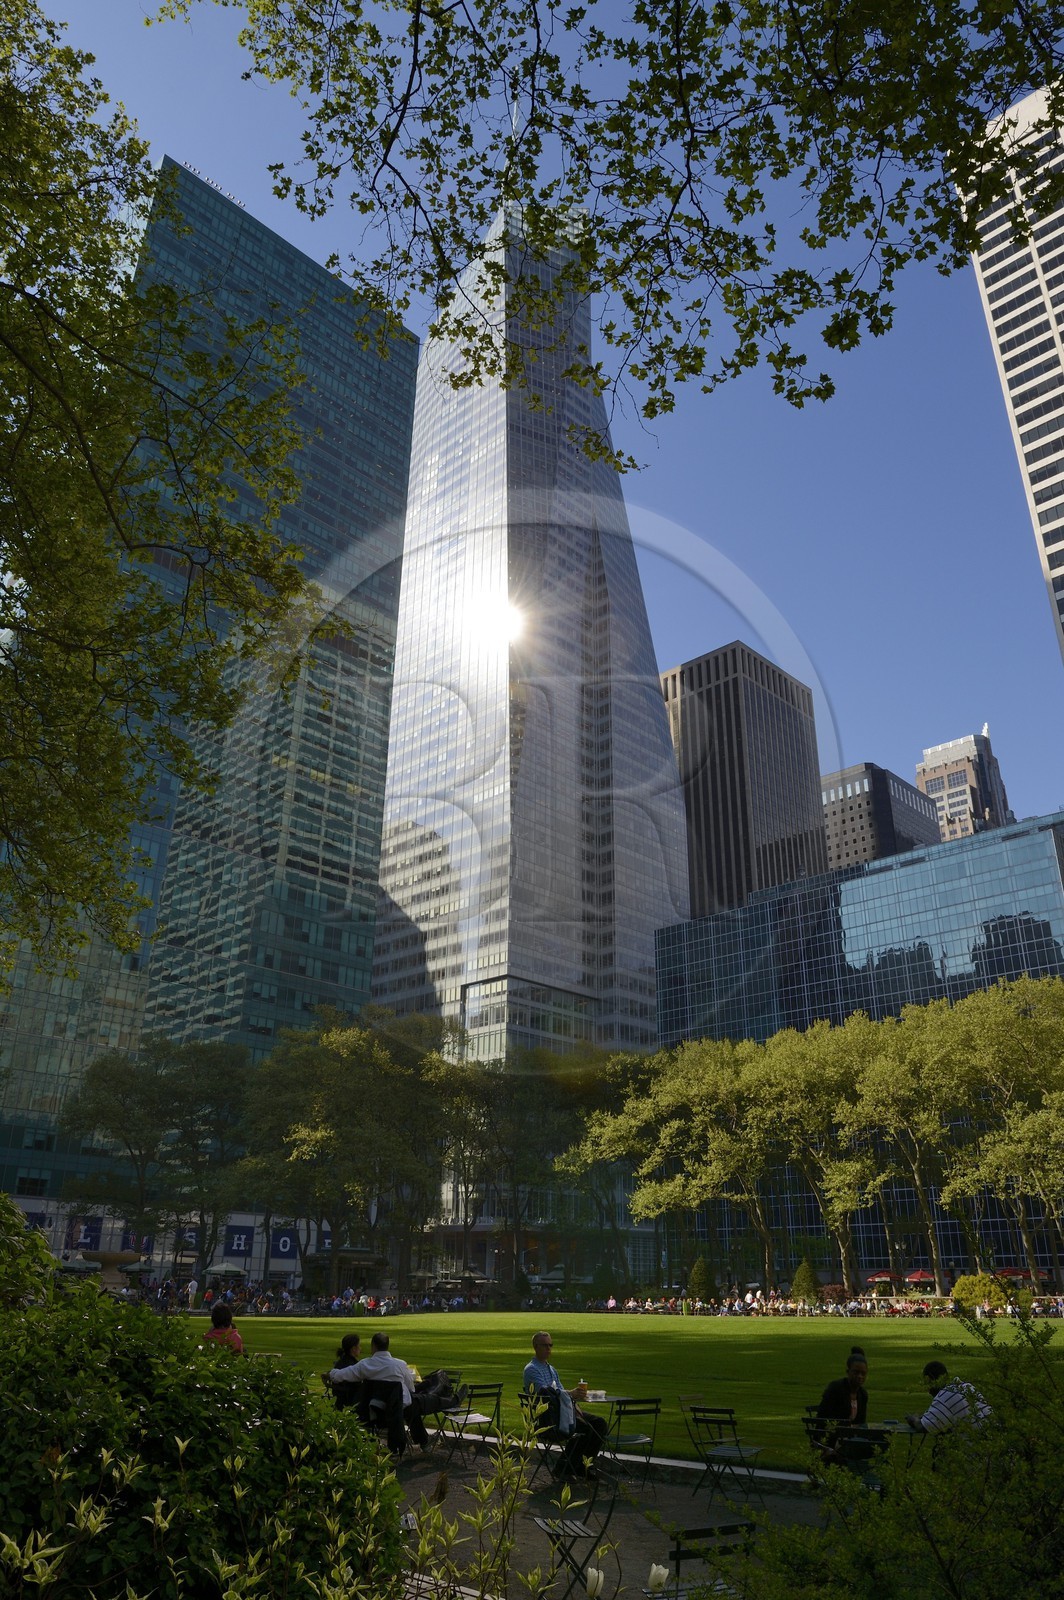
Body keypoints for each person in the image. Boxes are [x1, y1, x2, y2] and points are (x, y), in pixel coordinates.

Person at [328, 1332, 462, 1448]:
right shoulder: (400, 1364)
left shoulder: (364, 1365)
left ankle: (424, 1441)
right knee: (425, 1401)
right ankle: (453, 1401)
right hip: (396, 1412)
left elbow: (340, 1375)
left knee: (416, 1404)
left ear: (373, 1346)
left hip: (375, 1412)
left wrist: (330, 1373)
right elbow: (411, 1389)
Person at [523, 1331, 608, 1478]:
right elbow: (546, 1395)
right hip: (546, 1418)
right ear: (536, 1347)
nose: (548, 1348)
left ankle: (582, 1466)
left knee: (599, 1423)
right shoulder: (531, 1370)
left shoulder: (551, 1369)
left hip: (561, 1413)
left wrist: (574, 1397)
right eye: (545, 1345)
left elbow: (560, 1392)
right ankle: (564, 1468)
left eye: (551, 1345)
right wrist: (571, 1394)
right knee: (584, 1428)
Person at [813, 1346, 877, 1470]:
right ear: (848, 1372)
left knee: (878, 1446)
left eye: (863, 1373)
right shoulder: (835, 1389)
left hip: (849, 1439)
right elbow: (823, 1419)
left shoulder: (862, 1395)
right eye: (856, 1372)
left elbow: (860, 1423)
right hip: (830, 1439)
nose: (860, 1376)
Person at [905, 1361, 991, 1433]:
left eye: (928, 1383)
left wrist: (912, 1419)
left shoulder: (944, 1396)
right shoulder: (967, 1386)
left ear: (931, 1379)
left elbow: (922, 1427)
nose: (928, 1391)